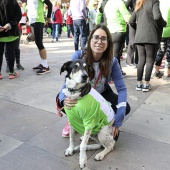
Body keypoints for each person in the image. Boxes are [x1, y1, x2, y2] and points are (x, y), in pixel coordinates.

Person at [56, 24, 131, 139]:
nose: (99, 41)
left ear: (108, 43)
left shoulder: (113, 62)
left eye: (103, 38)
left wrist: (118, 118)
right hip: (81, 94)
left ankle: (99, 123)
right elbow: (67, 81)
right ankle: (73, 121)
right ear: (90, 39)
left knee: (125, 106)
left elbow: (122, 89)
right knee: (64, 99)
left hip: (101, 94)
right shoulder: (79, 55)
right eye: (96, 37)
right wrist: (61, 100)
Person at [129, 0, 166, 92]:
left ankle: (139, 83)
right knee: (149, 60)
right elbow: (157, 17)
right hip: (151, 35)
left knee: (141, 60)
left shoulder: (139, 3)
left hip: (139, 36)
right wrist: (164, 23)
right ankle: (146, 84)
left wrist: (138, 29)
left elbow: (131, 21)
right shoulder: (154, 1)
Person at [104, 0, 131, 77]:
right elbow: (127, 16)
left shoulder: (108, 3)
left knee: (114, 53)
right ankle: (113, 74)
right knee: (116, 54)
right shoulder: (119, 2)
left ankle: (118, 71)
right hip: (119, 30)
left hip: (109, 31)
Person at [27, 0, 52, 75]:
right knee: (38, 43)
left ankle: (46, 67)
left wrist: (48, 17)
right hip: (33, 21)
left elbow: (49, 4)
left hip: (38, 20)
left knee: (39, 43)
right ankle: (42, 64)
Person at [0, 0, 22, 80]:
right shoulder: (13, 2)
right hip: (11, 32)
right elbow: (18, 15)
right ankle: (11, 72)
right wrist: (9, 24)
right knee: (10, 52)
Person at [5, 0, 25, 73]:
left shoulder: (17, 8)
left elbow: (20, 18)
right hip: (8, 30)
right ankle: (8, 65)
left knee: (16, 48)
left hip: (17, 30)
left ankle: (18, 63)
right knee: (7, 49)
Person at [153, 0, 170, 79]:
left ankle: (156, 71)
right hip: (169, 31)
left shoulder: (157, 2)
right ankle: (167, 73)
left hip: (160, 31)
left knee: (160, 52)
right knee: (169, 53)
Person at [125, 0, 138, 68]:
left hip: (141, 21)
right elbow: (125, 7)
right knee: (132, 42)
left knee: (139, 42)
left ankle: (137, 61)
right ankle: (129, 62)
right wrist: (132, 14)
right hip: (133, 22)